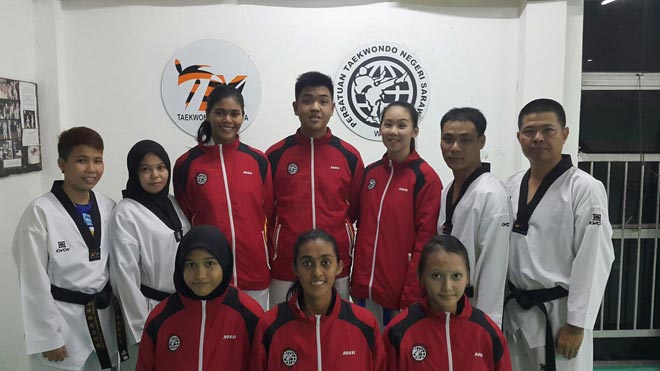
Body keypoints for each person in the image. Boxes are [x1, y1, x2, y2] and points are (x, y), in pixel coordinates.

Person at [504, 98, 614, 371]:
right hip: (515, 311)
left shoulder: (585, 189)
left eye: (548, 130)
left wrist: (577, 324)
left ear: (565, 134)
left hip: (559, 316)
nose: (537, 138)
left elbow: (593, 259)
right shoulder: (510, 185)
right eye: (529, 131)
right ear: (519, 137)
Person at [12, 127, 125, 370]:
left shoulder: (108, 206)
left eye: (98, 160)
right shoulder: (41, 212)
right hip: (62, 323)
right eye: (81, 160)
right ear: (62, 164)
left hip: (102, 320)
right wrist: (47, 337)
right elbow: (32, 279)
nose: (91, 169)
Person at [266, 71, 364, 305]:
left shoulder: (349, 156)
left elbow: (356, 210)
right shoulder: (275, 155)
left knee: (336, 333)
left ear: (333, 107)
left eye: (322, 100)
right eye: (307, 100)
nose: (315, 107)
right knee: (283, 331)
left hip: (335, 266)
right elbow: (267, 211)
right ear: (295, 106)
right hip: (286, 266)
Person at [174, 84, 273, 309]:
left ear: (242, 116)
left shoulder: (258, 161)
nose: (227, 119)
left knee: (253, 338)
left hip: (254, 271)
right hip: (207, 275)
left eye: (234, 113)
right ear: (208, 114)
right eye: (220, 112)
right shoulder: (187, 164)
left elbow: (267, 213)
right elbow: (187, 216)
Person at [351, 101, 442, 329]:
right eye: (387, 124)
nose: (393, 132)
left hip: (398, 296)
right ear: (380, 128)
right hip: (362, 290)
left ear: (414, 130)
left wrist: (411, 294)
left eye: (402, 125)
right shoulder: (370, 173)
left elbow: (425, 242)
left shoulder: (425, 178)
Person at [251, 229, 386, 371]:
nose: (317, 272)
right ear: (295, 268)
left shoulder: (365, 324)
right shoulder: (270, 326)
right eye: (307, 263)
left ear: (339, 267)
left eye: (325, 262)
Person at [137, 225, 263, 371]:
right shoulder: (160, 318)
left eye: (209, 263)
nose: (200, 275)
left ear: (224, 263)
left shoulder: (249, 314)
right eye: (191, 265)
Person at [384, 234, 512, 371]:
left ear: (467, 277)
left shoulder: (488, 333)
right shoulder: (399, 332)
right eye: (436, 276)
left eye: (456, 276)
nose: (447, 286)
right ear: (421, 277)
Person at [108, 139, 191, 346]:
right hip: (151, 310)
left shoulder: (173, 202)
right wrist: (140, 328)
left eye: (161, 167)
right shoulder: (125, 213)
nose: (155, 175)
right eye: (146, 169)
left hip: (185, 306)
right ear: (134, 173)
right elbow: (124, 277)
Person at [437, 107, 511, 327]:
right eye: (448, 139)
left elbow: (493, 269)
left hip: (475, 311)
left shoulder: (491, 194)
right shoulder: (447, 190)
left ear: (481, 142)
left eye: (465, 140)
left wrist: (485, 327)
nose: (455, 148)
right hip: (448, 302)